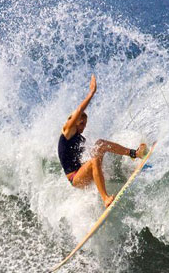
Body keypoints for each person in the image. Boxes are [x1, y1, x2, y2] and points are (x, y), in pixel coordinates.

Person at [58, 74, 147, 208]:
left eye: (85, 123)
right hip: (75, 178)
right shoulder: (67, 131)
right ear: (75, 122)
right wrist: (91, 93)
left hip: (83, 170)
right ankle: (105, 198)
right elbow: (79, 110)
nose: (84, 126)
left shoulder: (79, 137)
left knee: (100, 144)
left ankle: (135, 154)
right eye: (82, 123)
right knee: (94, 161)